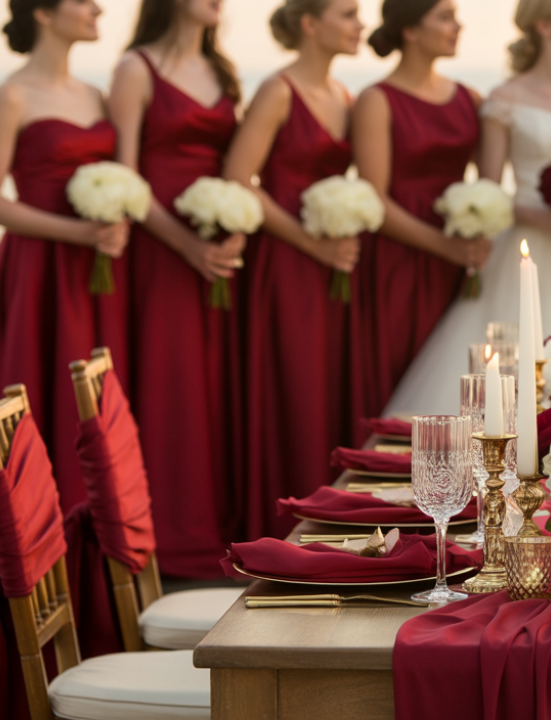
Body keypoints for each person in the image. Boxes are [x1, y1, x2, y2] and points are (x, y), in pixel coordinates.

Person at [383, 0, 551, 417]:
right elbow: (491, 189)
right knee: (517, 363)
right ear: (543, 24)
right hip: (530, 242)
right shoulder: (505, 98)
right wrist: (542, 217)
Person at [108, 0, 243, 577]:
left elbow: (236, 167)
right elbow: (125, 175)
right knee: (170, 377)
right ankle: (168, 538)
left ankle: (212, 524)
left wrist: (236, 227)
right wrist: (185, 245)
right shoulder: (135, 68)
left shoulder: (222, 71)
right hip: (160, 246)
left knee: (212, 381)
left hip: (214, 246)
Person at [224, 0, 363, 540]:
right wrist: (312, 244)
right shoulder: (278, 90)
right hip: (285, 260)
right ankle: (283, 520)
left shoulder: (344, 95)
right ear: (309, 23)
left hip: (331, 262)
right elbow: (240, 178)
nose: (360, 24)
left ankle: (328, 520)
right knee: (293, 383)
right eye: (347, 13)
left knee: (325, 386)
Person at [0, 0, 128, 511]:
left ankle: (101, 522)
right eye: (83, 1)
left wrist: (115, 224)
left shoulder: (96, 95)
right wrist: (78, 232)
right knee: (40, 388)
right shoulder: (11, 95)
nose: (97, 9)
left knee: (98, 397)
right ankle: (41, 521)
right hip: (38, 268)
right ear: (43, 13)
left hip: (96, 270)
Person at [352, 0, 489, 423]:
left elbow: (486, 185)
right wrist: (444, 247)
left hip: (459, 256)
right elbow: (374, 198)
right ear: (410, 30)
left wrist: (479, 233)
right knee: (399, 373)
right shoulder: (376, 100)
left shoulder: (470, 98)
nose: (457, 26)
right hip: (398, 257)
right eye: (444, 17)